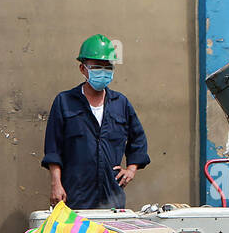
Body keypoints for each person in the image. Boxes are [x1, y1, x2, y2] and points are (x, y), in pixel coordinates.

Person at [41, 34, 149, 209]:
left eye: (108, 67)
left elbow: (138, 139)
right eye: (97, 67)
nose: (103, 72)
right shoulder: (65, 102)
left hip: (111, 194)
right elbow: (53, 147)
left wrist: (131, 169)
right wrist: (56, 183)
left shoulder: (120, 103)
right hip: (75, 193)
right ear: (83, 69)